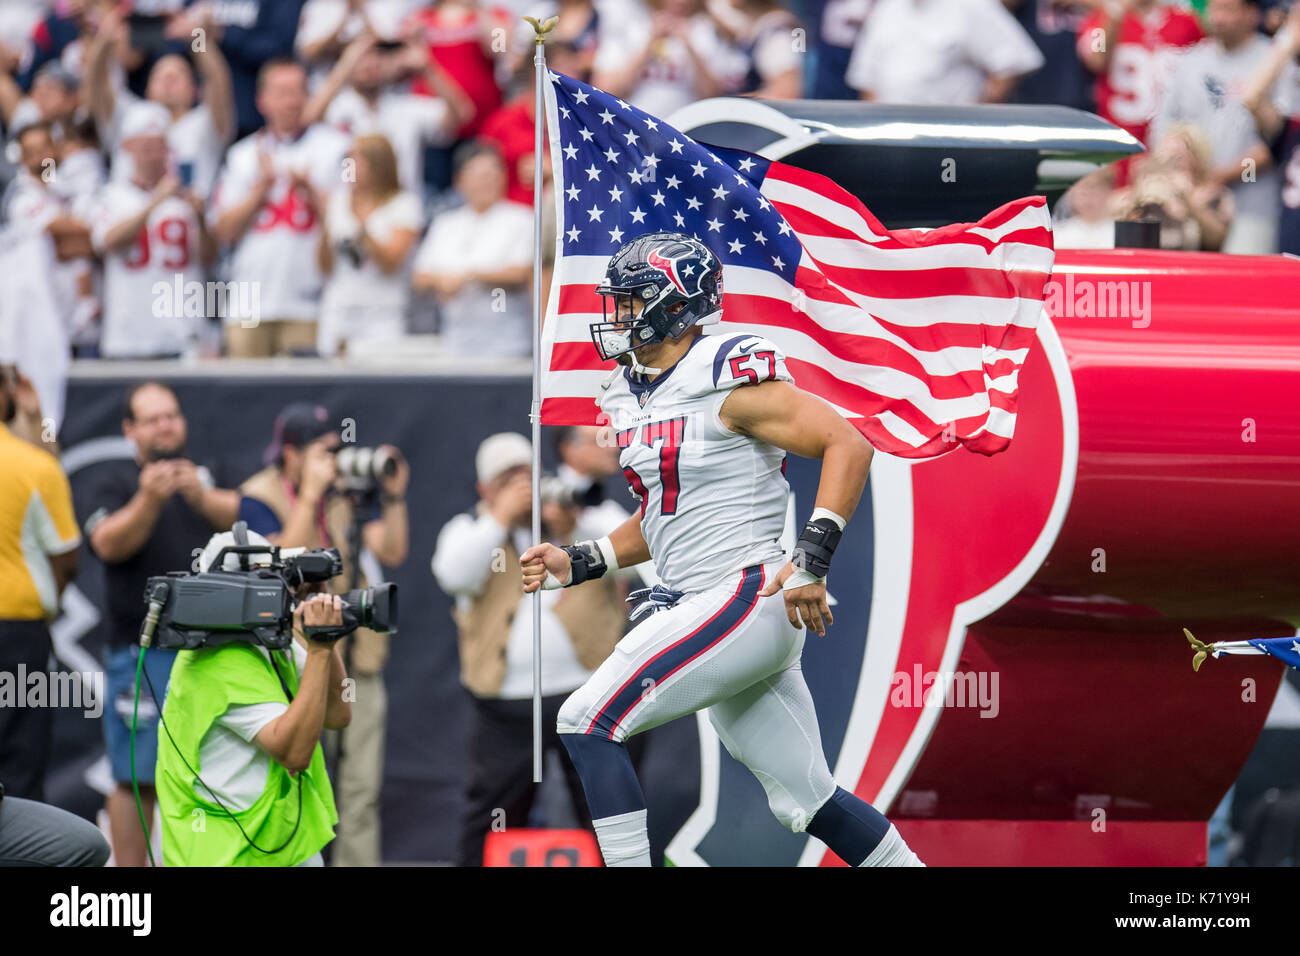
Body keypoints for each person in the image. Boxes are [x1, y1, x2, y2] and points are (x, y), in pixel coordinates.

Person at [519, 231, 924, 867]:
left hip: (744, 593)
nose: (616, 317)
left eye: (630, 303)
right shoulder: (631, 391)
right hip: (714, 604)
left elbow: (849, 443)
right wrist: (581, 559)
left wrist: (812, 561)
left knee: (586, 720)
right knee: (808, 799)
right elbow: (663, 514)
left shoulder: (725, 374)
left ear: (674, 306)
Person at [431, 432, 627, 866]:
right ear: (485, 488)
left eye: (527, 475)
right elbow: (455, 575)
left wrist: (571, 524)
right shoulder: (469, 529)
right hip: (505, 709)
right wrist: (500, 516)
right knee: (493, 816)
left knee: (609, 812)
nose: (523, 486)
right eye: (508, 479)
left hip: (587, 695)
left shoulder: (585, 517)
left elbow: (637, 554)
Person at [238, 402, 409, 866]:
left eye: (336, 450)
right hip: (284, 662)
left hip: (354, 659)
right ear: (290, 454)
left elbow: (391, 550)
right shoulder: (257, 495)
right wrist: (310, 496)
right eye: (322, 451)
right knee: (292, 781)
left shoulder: (344, 494)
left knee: (360, 791)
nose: (332, 461)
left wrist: (392, 496)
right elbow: (276, 571)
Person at [80, 381, 240, 867]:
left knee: (209, 773)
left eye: (171, 415)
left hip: (210, 654)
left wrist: (203, 497)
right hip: (141, 654)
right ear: (130, 430)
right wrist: (150, 499)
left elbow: (254, 520)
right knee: (136, 777)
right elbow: (106, 544)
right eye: (152, 419)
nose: (165, 425)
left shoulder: (210, 475)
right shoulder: (116, 483)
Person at [155, 530, 351, 867]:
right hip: (228, 855)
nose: (282, 588)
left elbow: (341, 710)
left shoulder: (268, 642)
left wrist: (327, 641)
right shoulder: (219, 660)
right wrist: (318, 651)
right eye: (270, 577)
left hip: (276, 844)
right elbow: (294, 753)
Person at [211, 58, 350, 357]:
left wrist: (311, 192)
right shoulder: (242, 155)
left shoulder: (337, 148)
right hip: (248, 302)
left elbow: (349, 225)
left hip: (310, 300)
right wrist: (260, 190)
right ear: (262, 100)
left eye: (298, 91)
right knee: (245, 396)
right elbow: (223, 231)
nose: (291, 101)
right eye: (282, 92)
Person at [1153, 0, 1292, 254]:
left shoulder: (1274, 60)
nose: (1218, 18)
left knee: (1245, 287)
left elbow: (1280, 137)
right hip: (1191, 205)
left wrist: (1218, 177)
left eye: (1228, 9)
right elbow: (1165, 128)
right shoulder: (1190, 61)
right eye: (1214, 9)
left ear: (1251, 14)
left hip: (1252, 205)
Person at [0, 364, 79, 803]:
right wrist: (37, 417)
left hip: (19, 634)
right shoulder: (34, 465)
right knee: (20, 771)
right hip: (17, 636)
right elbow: (67, 559)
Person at [87, 101, 217, 359]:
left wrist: (201, 218)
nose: (153, 155)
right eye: (146, 147)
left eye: (159, 147)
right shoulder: (111, 196)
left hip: (181, 332)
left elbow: (210, 258)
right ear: (128, 149)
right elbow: (108, 241)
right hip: (129, 333)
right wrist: (156, 201)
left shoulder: (187, 198)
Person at [85, 3, 235, 200]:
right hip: (127, 220)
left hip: (186, 222)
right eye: (160, 75)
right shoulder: (130, 115)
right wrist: (105, 39)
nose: (169, 79)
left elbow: (218, 81)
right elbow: (96, 82)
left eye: (179, 74)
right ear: (147, 89)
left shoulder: (204, 125)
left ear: (194, 91)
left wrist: (196, 38)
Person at [304, 30, 471, 197]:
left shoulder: (406, 106)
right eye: (361, 57)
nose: (370, 64)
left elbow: (462, 114)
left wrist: (428, 68)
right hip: (352, 210)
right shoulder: (338, 106)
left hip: (401, 209)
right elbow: (307, 120)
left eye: (377, 55)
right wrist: (344, 66)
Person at [410, 141, 534, 358]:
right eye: (479, 175)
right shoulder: (445, 224)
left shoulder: (522, 218)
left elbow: (521, 272)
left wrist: (468, 276)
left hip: (507, 343)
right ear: (460, 181)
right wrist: (441, 281)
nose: (487, 182)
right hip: (455, 341)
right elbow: (419, 276)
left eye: (493, 173)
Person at [316, 133, 423, 357]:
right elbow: (324, 266)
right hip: (339, 310)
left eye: (356, 160)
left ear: (377, 164)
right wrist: (325, 224)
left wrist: (363, 228)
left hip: (382, 313)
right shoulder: (338, 201)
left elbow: (391, 264)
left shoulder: (404, 205)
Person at [1076, 0, 1204, 175]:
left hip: (1171, 137)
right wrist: (1114, 18)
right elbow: (1096, 61)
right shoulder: (1102, 19)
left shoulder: (1186, 21)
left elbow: (1206, 65)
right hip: (1121, 135)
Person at [845, 0, 1044, 105]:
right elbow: (866, 81)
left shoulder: (971, 5)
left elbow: (1015, 62)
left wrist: (979, 119)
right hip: (889, 141)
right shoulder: (887, 8)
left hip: (946, 144)